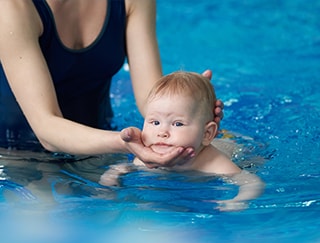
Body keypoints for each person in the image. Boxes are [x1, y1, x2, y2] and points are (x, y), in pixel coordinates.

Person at [0, 0, 223, 167]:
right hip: (15, 156)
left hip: (101, 147)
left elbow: (150, 99)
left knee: (235, 155)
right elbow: (46, 129)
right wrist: (123, 142)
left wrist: (189, 105)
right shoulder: (12, 7)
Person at [100, 71, 264, 211]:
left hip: (237, 149)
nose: (162, 132)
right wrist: (111, 180)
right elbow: (121, 168)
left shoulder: (213, 163)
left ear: (207, 134)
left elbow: (252, 183)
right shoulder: (148, 155)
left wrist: (236, 202)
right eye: (155, 122)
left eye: (177, 124)